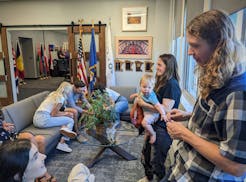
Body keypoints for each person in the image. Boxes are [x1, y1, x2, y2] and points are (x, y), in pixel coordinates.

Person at [161, 10, 246, 181]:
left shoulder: (238, 93)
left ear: (218, 46)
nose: (189, 52)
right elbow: (219, 122)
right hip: (183, 169)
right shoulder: (217, 74)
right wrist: (188, 115)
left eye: (196, 45)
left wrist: (185, 134)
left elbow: (237, 167)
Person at [137, 54, 181, 182]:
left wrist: (143, 104)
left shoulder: (172, 85)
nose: (157, 67)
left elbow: (166, 109)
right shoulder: (161, 81)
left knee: (156, 159)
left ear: (168, 66)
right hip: (154, 123)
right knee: (146, 153)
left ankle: (156, 179)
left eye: (160, 65)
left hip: (163, 127)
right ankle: (148, 177)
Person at [33, 84, 77, 153]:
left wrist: (65, 114)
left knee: (65, 119)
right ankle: (62, 143)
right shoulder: (61, 98)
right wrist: (66, 114)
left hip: (36, 118)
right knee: (70, 120)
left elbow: (53, 112)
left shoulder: (53, 94)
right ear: (66, 92)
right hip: (43, 120)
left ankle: (64, 128)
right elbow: (53, 114)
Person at [130, 74, 168, 144]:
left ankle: (153, 134)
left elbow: (158, 106)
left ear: (152, 88)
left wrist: (163, 114)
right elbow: (139, 94)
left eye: (149, 87)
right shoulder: (142, 92)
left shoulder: (152, 96)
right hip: (146, 112)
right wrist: (134, 95)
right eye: (144, 87)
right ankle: (147, 131)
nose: (146, 90)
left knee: (144, 123)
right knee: (136, 101)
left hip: (153, 114)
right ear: (140, 86)